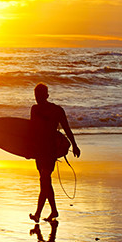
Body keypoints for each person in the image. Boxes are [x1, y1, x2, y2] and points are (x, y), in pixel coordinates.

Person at [29, 83, 80, 223]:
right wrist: (28, 150)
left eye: (40, 95)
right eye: (35, 96)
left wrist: (74, 145)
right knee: (45, 181)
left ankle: (38, 213)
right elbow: (32, 132)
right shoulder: (34, 109)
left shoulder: (57, 110)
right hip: (39, 150)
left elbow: (66, 128)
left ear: (46, 95)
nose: (37, 98)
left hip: (51, 149)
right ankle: (54, 211)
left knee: (44, 180)